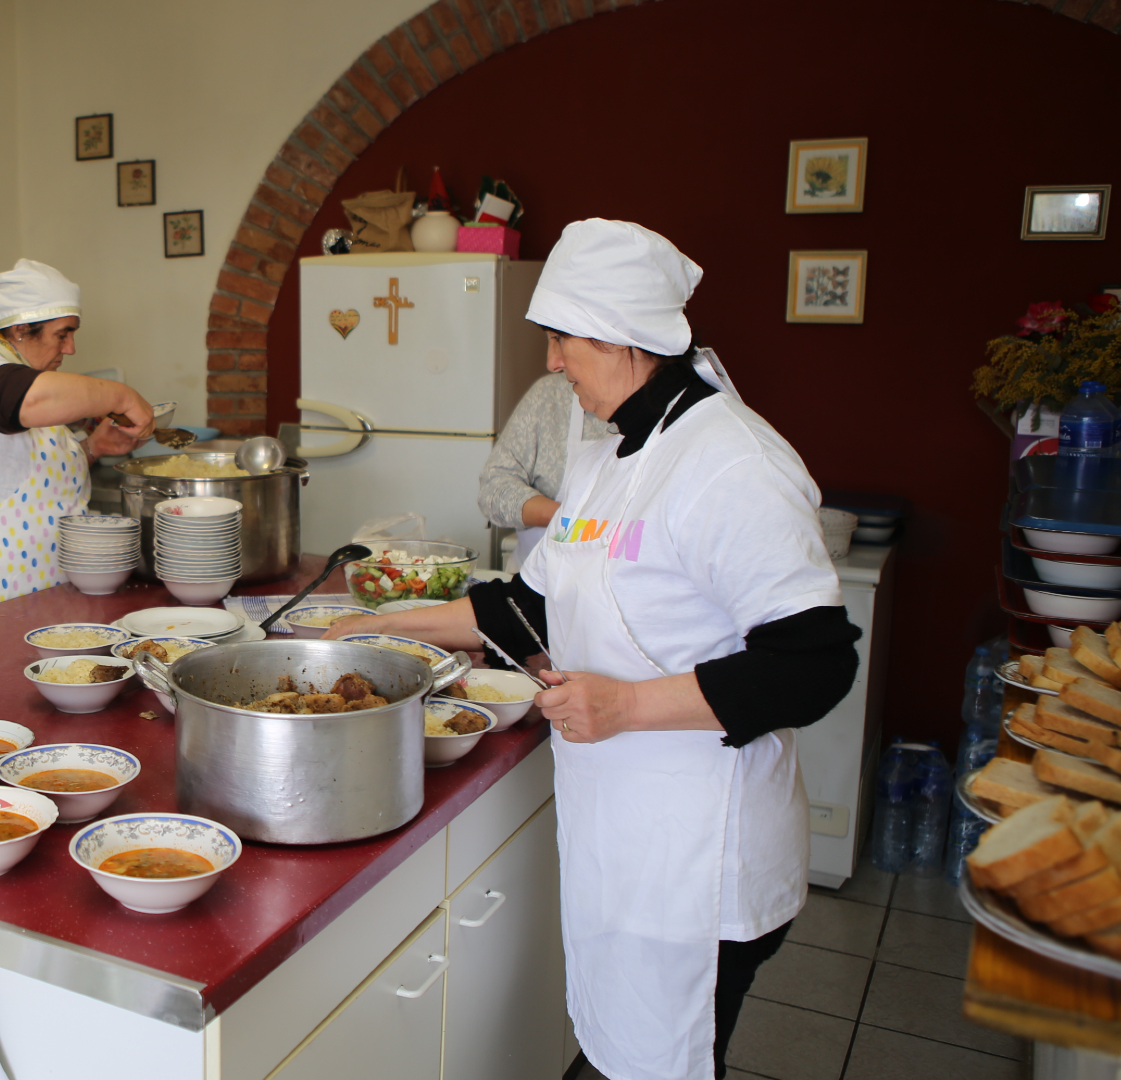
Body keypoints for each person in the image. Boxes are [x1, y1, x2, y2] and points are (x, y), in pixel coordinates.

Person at [326, 220, 861, 1080]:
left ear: (622, 338)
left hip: (699, 858)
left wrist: (625, 705)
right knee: (625, 1052)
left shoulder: (734, 464)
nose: (551, 362)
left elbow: (814, 662)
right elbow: (533, 606)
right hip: (625, 839)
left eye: (561, 338)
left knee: (663, 1061)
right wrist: (374, 627)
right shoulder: (611, 453)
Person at [0, 259, 153, 623]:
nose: (70, 348)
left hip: (34, 591)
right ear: (23, 328)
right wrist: (123, 397)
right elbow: (30, 400)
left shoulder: (30, 378)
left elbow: (24, 475)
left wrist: (92, 448)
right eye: (63, 334)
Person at [478, 371, 604, 569]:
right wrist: (576, 524)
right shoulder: (550, 394)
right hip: (534, 580)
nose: (551, 362)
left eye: (560, 340)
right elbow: (494, 489)